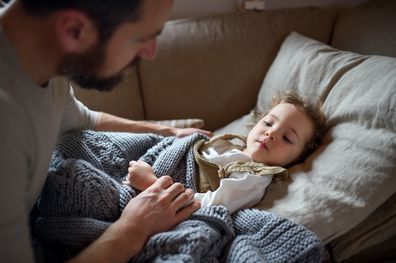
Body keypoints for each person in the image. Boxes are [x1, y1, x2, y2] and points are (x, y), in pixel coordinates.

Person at [0, 0, 212, 262]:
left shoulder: (42, 58)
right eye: (141, 38)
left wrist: (169, 131)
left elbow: (82, 118)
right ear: (75, 30)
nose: (150, 52)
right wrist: (135, 227)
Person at [125, 92, 327, 214]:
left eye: (287, 138)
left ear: (296, 159)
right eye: (268, 122)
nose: (271, 132)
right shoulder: (226, 144)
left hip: (155, 189)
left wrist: (151, 183)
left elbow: (205, 207)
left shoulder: (253, 178)